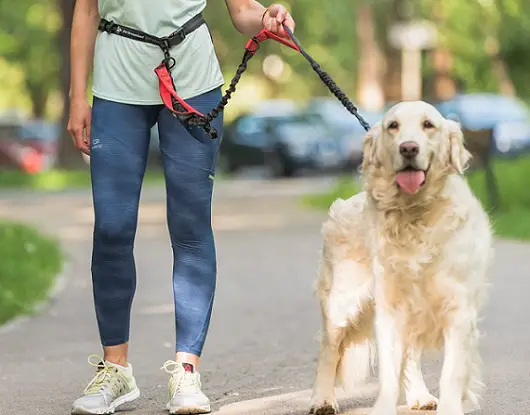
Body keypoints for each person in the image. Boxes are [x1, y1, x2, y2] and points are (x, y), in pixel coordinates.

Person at [67, 1, 296, 414]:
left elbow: (242, 9)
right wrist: (76, 96)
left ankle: (187, 372)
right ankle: (115, 370)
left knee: (190, 227)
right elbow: (85, 11)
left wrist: (266, 19)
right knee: (112, 228)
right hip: (117, 82)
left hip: (191, 76)